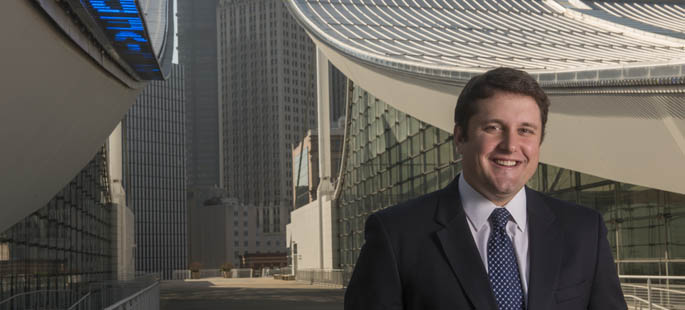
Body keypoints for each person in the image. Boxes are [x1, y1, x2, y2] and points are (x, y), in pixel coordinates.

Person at [344, 67, 626, 310]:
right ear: (460, 137)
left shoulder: (584, 231)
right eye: (493, 128)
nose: (510, 145)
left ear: (539, 141)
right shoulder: (396, 235)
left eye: (525, 130)